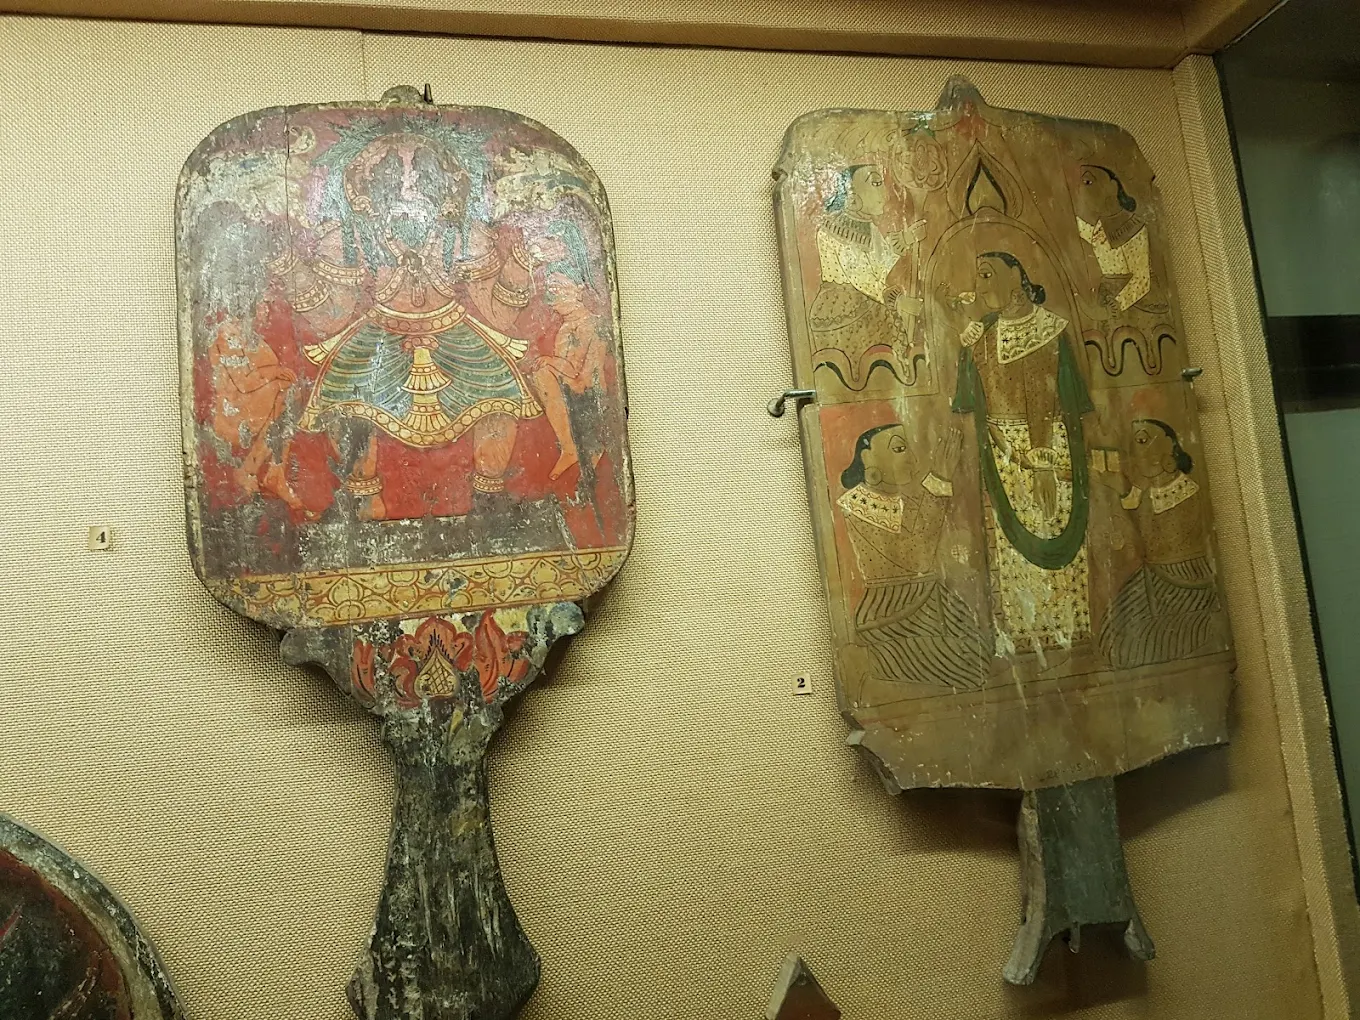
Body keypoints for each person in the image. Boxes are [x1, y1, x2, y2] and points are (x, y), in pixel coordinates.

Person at [272, 133, 564, 518]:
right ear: (364, 191)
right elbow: (330, 317)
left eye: (422, 176)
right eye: (392, 178)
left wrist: (522, 262)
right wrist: (290, 270)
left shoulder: (467, 236)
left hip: (455, 334)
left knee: (500, 389)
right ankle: (363, 498)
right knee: (343, 395)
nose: (408, 190)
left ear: (447, 188)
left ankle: (489, 497)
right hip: (379, 336)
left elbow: (499, 315)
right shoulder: (348, 239)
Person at [943, 250, 1095, 657]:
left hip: (1050, 449)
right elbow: (972, 406)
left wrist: (1043, 462)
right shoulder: (981, 336)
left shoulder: (1049, 330)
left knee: (1053, 525)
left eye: (987, 274)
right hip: (1004, 454)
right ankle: (1024, 639)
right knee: (1011, 549)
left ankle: (1069, 636)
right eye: (978, 277)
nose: (979, 287)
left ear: (1016, 277)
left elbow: (1050, 397)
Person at [837, 422, 988, 688]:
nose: (912, 460)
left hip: (929, 600)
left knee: (979, 656)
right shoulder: (859, 504)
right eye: (899, 449)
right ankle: (867, 660)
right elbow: (918, 556)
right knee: (965, 668)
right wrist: (939, 479)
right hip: (893, 612)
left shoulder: (905, 500)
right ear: (868, 458)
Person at [1097, 418, 1226, 667]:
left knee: (1148, 643)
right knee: (1112, 640)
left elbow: (1166, 536)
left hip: (1185, 579)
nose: (1136, 453)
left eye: (1142, 441)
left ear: (1169, 446)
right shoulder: (1147, 494)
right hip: (1152, 577)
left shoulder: (1187, 491)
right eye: (1132, 446)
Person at [809, 164, 925, 380]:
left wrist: (907, 238)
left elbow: (879, 265)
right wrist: (899, 302)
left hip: (866, 301)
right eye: (875, 183)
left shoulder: (866, 226)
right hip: (846, 309)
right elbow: (861, 277)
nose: (884, 193)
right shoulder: (839, 228)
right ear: (852, 194)